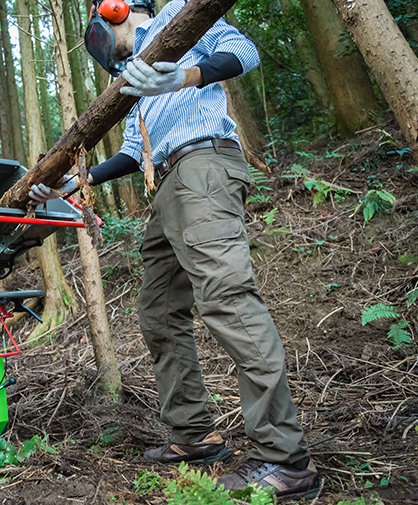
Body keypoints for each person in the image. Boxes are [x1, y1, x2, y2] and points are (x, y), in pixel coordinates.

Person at [28, 0, 321, 499]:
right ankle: (195, 436)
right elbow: (130, 154)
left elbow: (243, 51)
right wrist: (72, 185)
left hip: (203, 164)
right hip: (166, 184)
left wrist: (183, 76)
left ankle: (284, 459)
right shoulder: (135, 82)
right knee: (159, 312)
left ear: (116, 10)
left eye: (99, 30)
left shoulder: (177, 20)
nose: (99, 45)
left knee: (226, 298)